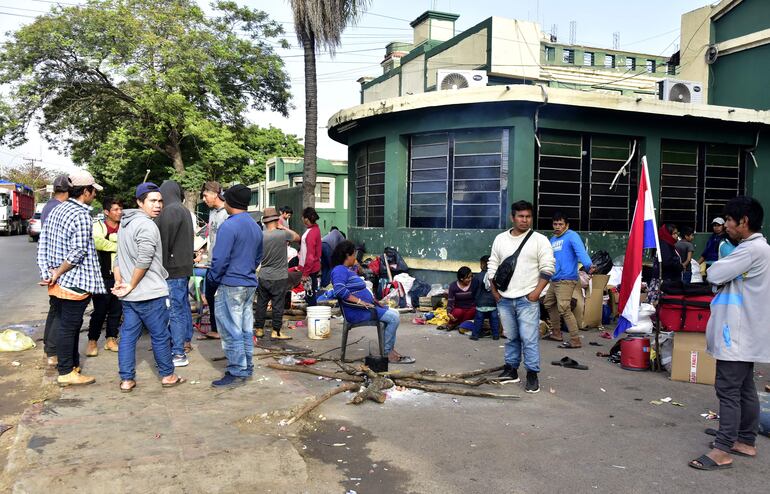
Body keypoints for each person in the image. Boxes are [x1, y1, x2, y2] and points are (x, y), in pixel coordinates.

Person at [688, 196, 770, 471]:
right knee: (745, 388)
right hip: (744, 332)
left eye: (730, 222)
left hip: (736, 334)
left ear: (743, 222)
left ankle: (723, 449)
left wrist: (718, 270)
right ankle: (745, 441)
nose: (726, 227)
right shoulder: (757, 249)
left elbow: (715, 273)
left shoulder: (750, 250)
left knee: (728, 390)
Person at [112, 182, 185, 392]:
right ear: (139, 202)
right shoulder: (146, 225)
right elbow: (143, 259)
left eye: (160, 200)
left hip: (130, 295)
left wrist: (121, 282)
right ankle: (168, 375)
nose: (158, 205)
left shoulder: (125, 223)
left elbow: (118, 258)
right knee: (160, 335)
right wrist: (130, 284)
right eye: (152, 201)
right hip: (148, 293)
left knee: (127, 337)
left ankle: (126, 379)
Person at [37, 170, 106, 387]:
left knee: (65, 324)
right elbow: (77, 252)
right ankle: (67, 371)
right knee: (70, 327)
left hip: (58, 280)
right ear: (85, 191)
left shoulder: (57, 209)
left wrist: (48, 272)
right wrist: (57, 272)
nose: (94, 195)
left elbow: (43, 244)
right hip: (74, 280)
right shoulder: (81, 214)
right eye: (93, 191)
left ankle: (71, 365)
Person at [488, 201, 555, 393]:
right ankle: (511, 369)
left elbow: (548, 268)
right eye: (521, 216)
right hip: (504, 299)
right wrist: (495, 292)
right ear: (513, 217)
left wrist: (535, 294)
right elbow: (493, 265)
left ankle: (532, 374)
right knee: (511, 337)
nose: (525, 220)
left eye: (528, 217)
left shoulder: (540, 240)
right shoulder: (500, 239)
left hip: (527, 299)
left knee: (529, 338)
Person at [207, 184, 263, 387]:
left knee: (231, 330)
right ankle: (246, 367)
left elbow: (219, 260)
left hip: (230, 283)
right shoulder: (255, 226)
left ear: (229, 202)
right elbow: (258, 257)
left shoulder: (229, 226)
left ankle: (236, 370)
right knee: (245, 328)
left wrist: (212, 280)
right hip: (248, 283)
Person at [331, 240, 415, 364]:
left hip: (366, 308)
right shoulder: (339, 270)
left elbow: (358, 288)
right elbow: (340, 291)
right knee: (393, 318)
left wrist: (375, 301)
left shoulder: (346, 269)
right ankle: (387, 352)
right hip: (356, 311)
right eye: (353, 255)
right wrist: (361, 302)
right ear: (347, 255)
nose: (355, 258)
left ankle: (388, 349)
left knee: (394, 313)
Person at [155, 180, 195, 367]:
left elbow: (164, 242)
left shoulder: (170, 211)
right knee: (182, 306)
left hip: (172, 269)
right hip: (183, 267)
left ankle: (178, 352)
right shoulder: (183, 209)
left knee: (174, 311)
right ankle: (185, 341)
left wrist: (158, 268)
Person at [542, 212, 594, 348]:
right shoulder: (552, 240)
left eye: (560, 224)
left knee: (564, 308)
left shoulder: (572, 236)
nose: (557, 226)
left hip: (567, 278)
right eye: (555, 224)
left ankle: (575, 339)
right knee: (548, 302)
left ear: (567, 225)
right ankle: (556, 332)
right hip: (554, 278)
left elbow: (581, 252)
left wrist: (588, 265)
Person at [254, 207, 300, 340]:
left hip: (263, 275)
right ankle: (276, 331)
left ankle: (259, 329)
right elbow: (297, 237)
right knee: (277, 304)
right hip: (279, 276)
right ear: (276, 220)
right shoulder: (282, 234)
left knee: (261, 303)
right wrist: (283, 228)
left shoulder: (260, 236)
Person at [86, 197, 123, 356]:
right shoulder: (98, 226)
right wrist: (118, 246)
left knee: (116, 309)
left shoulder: (124, 227)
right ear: (106, 212)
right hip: (102, 276)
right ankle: (92, 341)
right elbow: (98, 242)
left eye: (120, 209)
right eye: (115, 209)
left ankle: (111, 338)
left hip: (121, 276)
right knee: (100, 310)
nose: (119, 212)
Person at [40, 174, 70, 367]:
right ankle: (52, 351)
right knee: (60, 310)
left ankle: (49, 348)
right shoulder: (59, 209)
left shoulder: (48, 206)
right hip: (59, 267)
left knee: (55, 308)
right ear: (67, 191)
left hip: (53, 267)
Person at [198, 181, 229, 339]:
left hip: (223, 265)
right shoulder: (212, 213)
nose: (204, 199)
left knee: (222, 298)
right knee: (210, 297)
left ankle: (223, 330)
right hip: (211, 263)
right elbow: (211, 236)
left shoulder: (227, 213)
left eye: (205, 195)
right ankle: (216, 329)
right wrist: (202, 251)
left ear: (215, 194)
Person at [471, 255, 499, 341]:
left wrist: (474, 298)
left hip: (481, 302)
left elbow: (473, 289)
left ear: (482, 265)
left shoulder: (477, 276)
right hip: (493, 302)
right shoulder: (495, 276)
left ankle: (475, 335)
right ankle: (495, 335)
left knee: (479, 319)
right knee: (494, 319)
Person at [299, 207, 322, 306]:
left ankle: (312, 316)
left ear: (306, 219)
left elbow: (310, 256)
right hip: (311, 267)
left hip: (310, 269)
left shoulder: (311, 233)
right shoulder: (314, 230)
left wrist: (305, 273)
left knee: (310, 295)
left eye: (303, 217)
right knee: (310, 293)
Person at [446, 266, 478, 332]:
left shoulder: (474, 284)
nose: (470, 279)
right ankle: (456, 323)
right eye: (468, 278)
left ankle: (458, 324)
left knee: (474, 310)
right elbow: (450, 301)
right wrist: (449, 313)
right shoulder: (453, 286)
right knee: (458, 312)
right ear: (461, 278)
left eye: (471, 276)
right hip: (459, 308)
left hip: (470, 309)